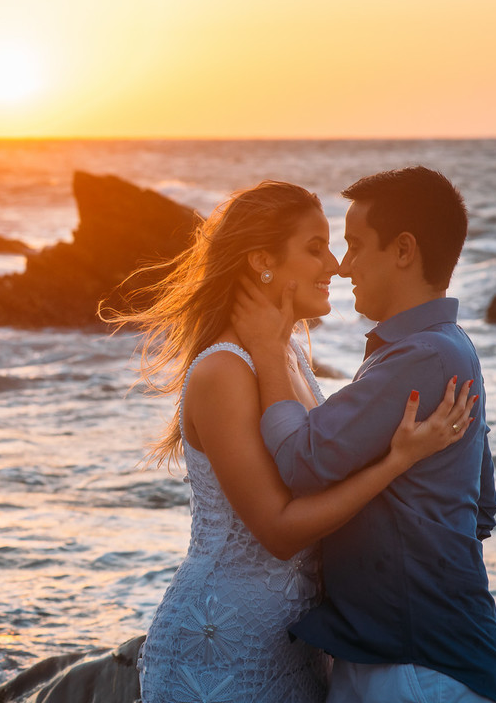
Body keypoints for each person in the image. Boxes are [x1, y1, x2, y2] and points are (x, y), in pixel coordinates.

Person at [108, 180, 474, 703]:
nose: (335, 265)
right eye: (315, 248)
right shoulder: (224, 371)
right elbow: (279, 532)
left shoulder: (289, 358)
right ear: (262, 261)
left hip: (296, 646)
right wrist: (397, 462)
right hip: (223, 646)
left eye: (335, 247)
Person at [231, 167, 496, 703]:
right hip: (406, 657)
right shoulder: (450, 347)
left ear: (404, 250)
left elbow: (301, 462)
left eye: (356, 246)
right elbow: (481, 509)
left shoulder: (421, 356)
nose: (343, 266)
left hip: (416, 667)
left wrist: (267, 352)